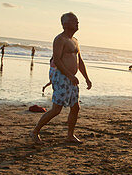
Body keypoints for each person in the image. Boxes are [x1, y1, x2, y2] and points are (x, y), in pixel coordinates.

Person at [31, 12, 92, 144]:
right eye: (74, 21)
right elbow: (57, 60)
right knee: (56, 110)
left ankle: (70, 135)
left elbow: (79, 61)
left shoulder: (75, 41)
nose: (77, 23)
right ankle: (35, 132)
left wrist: (86, 78)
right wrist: (69, 76)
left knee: (75, 108)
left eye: (77, 20)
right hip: (62, 77)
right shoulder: (60, 39)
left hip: (72, 78)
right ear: (65, 24)